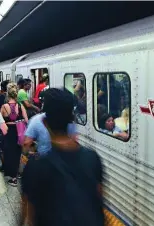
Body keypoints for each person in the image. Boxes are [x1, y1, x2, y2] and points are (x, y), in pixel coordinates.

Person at [21, 88, 104, 226]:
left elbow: (29, 217)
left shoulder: (35, 167)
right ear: (71, 119)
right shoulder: (92, 158)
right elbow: (98, 201)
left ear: (45, 122)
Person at [0, 83, 28, 186]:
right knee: (17, 153)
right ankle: (15, 175)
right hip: (18, 131)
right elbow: (26, 120)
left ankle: (11, 175)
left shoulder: (4, 107)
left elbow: (0, 121)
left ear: (8, 93)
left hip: (8, 132)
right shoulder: (20, 106)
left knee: (9, 153)